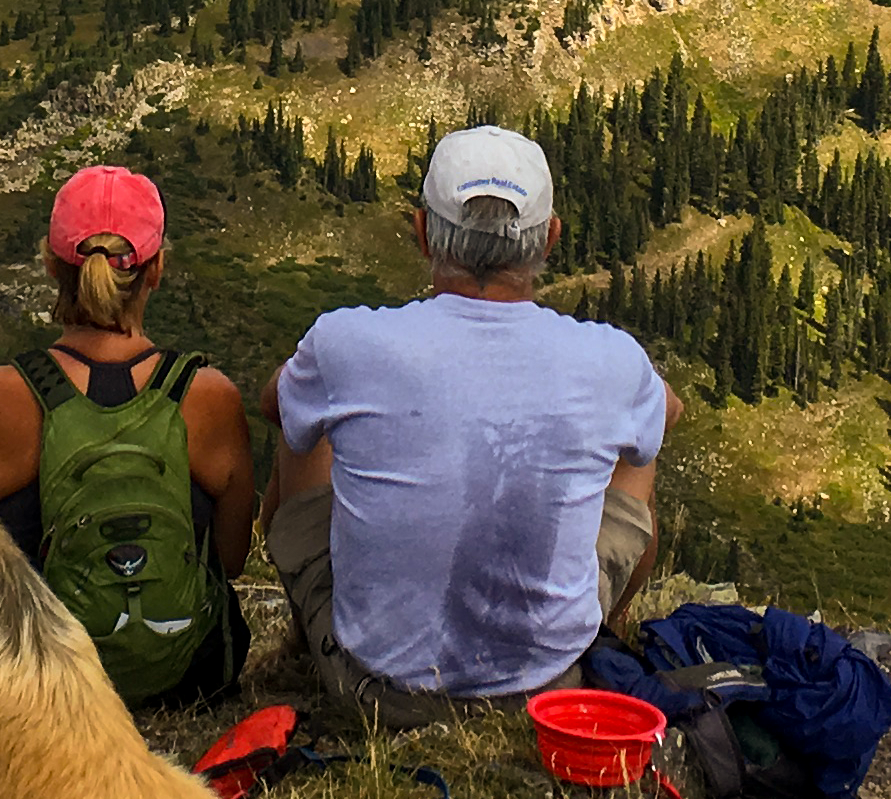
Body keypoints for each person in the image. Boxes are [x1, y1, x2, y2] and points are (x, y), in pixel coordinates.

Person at [263, 126, 673, 725]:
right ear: (549, 239)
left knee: (305, 424)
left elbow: (273, 402)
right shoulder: (611, 357)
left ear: (422, 231)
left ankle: (309, 638)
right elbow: (669, 411)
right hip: (546, 689)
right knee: (640, 441)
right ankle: (599, 628)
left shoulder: (344, 340)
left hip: (378, 694)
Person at [0, 165, 256, 705]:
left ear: (50, 264)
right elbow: (230, 561)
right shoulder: (207, 396)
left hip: (35, 688)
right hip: (186, 679)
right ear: (156, 269)